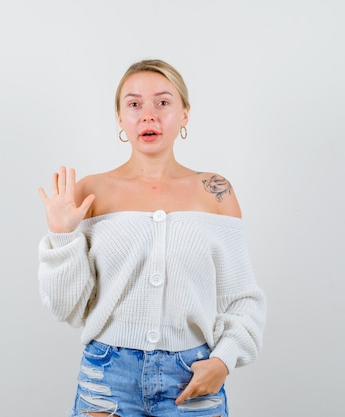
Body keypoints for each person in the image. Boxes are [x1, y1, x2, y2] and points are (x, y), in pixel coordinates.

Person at [37, 59, 266, 417]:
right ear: (119, 118)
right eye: (134, 104)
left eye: (163, 102)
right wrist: (62, 236)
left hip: (192, 380)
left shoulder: (216, 191)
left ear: (185, 114)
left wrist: (223, 360)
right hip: (107, 379)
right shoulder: (88, 193)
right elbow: (68, 307)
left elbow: (243, 298)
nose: (148, 115)